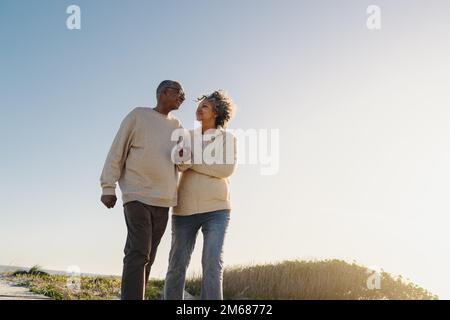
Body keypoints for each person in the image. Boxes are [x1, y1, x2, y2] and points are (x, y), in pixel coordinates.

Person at [100, 80, 185, 300]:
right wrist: (108, 187)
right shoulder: (138, 116)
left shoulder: (177, 126)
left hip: (164, 200)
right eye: (178, 92)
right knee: (138, 252)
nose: (183, 97)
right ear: (162, 93)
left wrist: (185, 156)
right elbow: (117, 149)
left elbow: (182, 163)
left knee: (149, 255)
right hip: (137, 195)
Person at [164, 90, 237, 300]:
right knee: (176, 265)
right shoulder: (186, 135)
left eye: (205, 106)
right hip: (183, 210)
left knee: (212, 264)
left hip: (217, 210)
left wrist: (193, 161)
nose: (199, 108)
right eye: (200, 105)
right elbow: (180, 164)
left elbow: (225, 169)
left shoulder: (228, 139)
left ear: (216, 112)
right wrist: (190, 161)